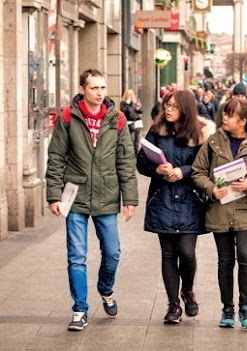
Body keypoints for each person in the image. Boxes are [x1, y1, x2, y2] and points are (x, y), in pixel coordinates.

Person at [46, 68, 138, 331]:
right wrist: (54, 195)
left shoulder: (117, 119)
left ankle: (105, 289)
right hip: (74, 196)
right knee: (76, 255)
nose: (100, 93)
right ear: (82, 89)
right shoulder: (67, 117)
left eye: (102, 88)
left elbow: (125, 161)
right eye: (94, 88)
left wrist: (129, 198)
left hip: (107, 195)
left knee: (112, 252)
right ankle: (79, 309)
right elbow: (56, 158)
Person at [192, 98, 247, 329]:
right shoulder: (213, 141)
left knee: (246, 256)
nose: (224, 118)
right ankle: (227, 307)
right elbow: (198, 171)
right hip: (220, 209)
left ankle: (245, 307)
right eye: (224, 114)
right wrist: (211, 189)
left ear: (243, 120)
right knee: (225, 261)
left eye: (229, 114)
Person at [137, 90, 215, 324]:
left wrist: (184, 171)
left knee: (187, 252)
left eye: (173, 106)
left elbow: (207, 165)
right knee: (168, 254)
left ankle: (188, 291)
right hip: (163, 198)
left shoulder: (202, 132)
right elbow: (141, 162)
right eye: (166, 105)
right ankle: (173, 305)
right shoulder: (157, 130)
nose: (168, 110)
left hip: (191, 200)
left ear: (186, 108)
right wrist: (157, 169)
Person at [120, 89, 143, 153]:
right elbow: (122, 111)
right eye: (128, 94)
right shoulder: (123, 103)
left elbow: (140, 111)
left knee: (137, 139)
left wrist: (138, 108)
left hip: (137, 122)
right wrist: (127, 103)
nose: (129, 96)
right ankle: (130, 153)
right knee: (131, 139)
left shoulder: (135, 102)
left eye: (130, 94)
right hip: (129, 123)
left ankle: (136, 153)